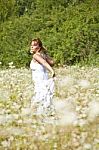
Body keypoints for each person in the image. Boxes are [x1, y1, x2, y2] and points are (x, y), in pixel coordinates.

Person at [30, 38, 55, 116]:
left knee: (40, 96)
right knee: (44, 95)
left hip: (40, 79)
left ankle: (39, 114)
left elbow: (44, 63)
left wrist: (52, 71)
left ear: (39, 47)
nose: (32, 47)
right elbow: (52, 62)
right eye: (31, 45)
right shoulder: (42, 55)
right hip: (43, 78)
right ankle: (45, 113)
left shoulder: (36, 56)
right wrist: (45, 54)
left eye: (34, 45)